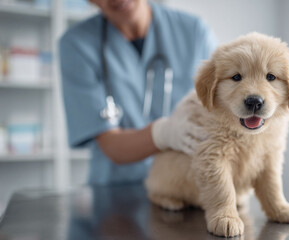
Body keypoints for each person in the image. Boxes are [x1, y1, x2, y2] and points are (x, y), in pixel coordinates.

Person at [59, 0, 217, 185]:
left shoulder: (194, 31)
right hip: (118, 190)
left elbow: (222, 106)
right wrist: (162, 134)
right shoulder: (77, 44)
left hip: (189, 183)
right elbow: (110, 143)